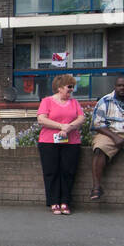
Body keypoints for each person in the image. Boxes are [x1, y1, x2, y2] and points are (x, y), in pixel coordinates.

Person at [36, 74, 85, 214]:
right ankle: (53, 202)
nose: (71, 90)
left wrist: (69, 127)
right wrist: (61, 126)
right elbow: (41, 119)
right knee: (51, 171)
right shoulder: (47, 101)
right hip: (49, 142)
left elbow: (81, 118)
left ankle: (65, 202)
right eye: (69, 87)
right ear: (59, 88)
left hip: (71, 142)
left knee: (68, 171)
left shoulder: (74, 102)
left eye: (73, 87)